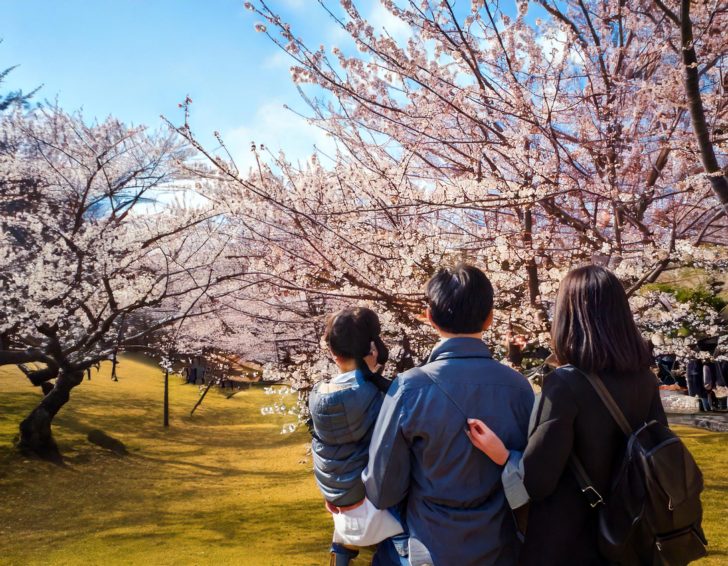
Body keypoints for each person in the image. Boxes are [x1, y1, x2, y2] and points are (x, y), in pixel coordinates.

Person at [468, 265, 667, 565]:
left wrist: (504, 456)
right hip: (630, 535)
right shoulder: (645, 380)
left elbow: (537, 481)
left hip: (569, 543)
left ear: (568, 316)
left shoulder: (565, 384)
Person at [363, 264, 535, 565]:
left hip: (431, 546)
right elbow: (534, 471)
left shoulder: (408, 388)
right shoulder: (519, 387)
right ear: (490, 318)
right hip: (500, 546)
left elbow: (383, 490)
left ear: (429, 317)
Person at [308, 307, 407, 566]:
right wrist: (374, 376)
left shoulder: (317, 395)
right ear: (372, 347)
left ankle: (339, 557)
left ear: (331, 351)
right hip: (381, 512)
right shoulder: (383, 395)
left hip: (341, 508)